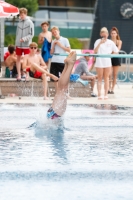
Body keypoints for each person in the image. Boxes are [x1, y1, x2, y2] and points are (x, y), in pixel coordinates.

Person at [47, 51, 76, 119]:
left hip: (53, 115)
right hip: (52, 114)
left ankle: (69, 65)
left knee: (62, 89)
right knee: (61, 89)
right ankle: (67, 65)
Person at [94, 27, 119, 100]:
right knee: (99, 78)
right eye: (102, 34)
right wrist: (100, 43)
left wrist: (111, 55)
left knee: (106, 78)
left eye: (105, 34)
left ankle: (105, 94)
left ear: (107, 35)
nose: (104, 35)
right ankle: (99, 94)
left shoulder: (110, 42)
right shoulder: (97, 41)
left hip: (107, 62)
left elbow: (116, 51)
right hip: (99, 62)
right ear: (101, 34)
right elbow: (95, 51)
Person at [15, 8, 34, 81]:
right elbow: (17, 34)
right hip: (18, 44)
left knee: (27, 60)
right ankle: (19, 74)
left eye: (22, 14)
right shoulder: (19, 23)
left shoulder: (30, 23)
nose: (21, 16)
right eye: (20, 14)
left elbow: (31, 34)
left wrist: (24, 39)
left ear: (25, 14)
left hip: (26, 44)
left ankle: (27, 75)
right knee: (18, 59)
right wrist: (16, 43)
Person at [50, 26, 71, 92]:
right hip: (54, 61)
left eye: (55, 32)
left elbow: (69, 50)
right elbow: (51, 53)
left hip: (62, 61)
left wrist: (61, 45)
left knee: (64, 78)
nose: (54, 33)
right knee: (55, 78)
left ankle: (65, 93)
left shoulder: (65, 40)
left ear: (58, 31)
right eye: (53, 32)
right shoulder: (53, 41)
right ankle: (57, 92)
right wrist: (53, 45)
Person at [109, 27, 122, 94]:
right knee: (109, 74)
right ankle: (109, 88)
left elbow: (117, 50)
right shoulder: (109, 42)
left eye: (114, 33)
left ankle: (113, 89)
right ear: (110, 34)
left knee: (115, 74)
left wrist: (112, 52)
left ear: (116, 34)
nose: (113, 34)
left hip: (116, 58)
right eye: (112, 33)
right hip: (110, 58)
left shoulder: (119, 41)